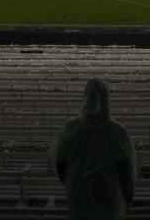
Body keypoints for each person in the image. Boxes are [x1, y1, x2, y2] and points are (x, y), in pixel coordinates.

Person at [51, 78, 136, 220]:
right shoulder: (117, 132)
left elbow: (61, 163)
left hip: (79, 193)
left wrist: (73, 182)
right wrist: (128, 197)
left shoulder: (71, 129)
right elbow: (125, 169)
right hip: (107, 194)